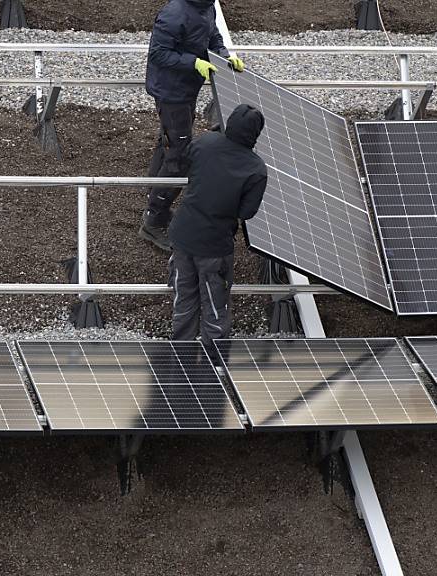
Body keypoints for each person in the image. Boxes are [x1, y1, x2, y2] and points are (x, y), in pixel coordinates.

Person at [140, 0, 246, 252]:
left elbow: (214, 37)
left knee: (169, 141)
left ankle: (154, 192)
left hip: (187, 87)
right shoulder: (175, 13)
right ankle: (153, 221)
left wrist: (224, 57)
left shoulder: (207, 7)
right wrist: (193, 63)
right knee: (179, 156)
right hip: (171, 91)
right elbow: (158, 52)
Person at [167, 103, 267, 355]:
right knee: (214, 304)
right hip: (214, 245)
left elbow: (186, 163)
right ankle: (215, 362)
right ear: (256, 133)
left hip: (182, 235)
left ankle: (181, 355)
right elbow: (247, 213)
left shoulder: (205, 143)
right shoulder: (255, 169)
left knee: (184, 299)